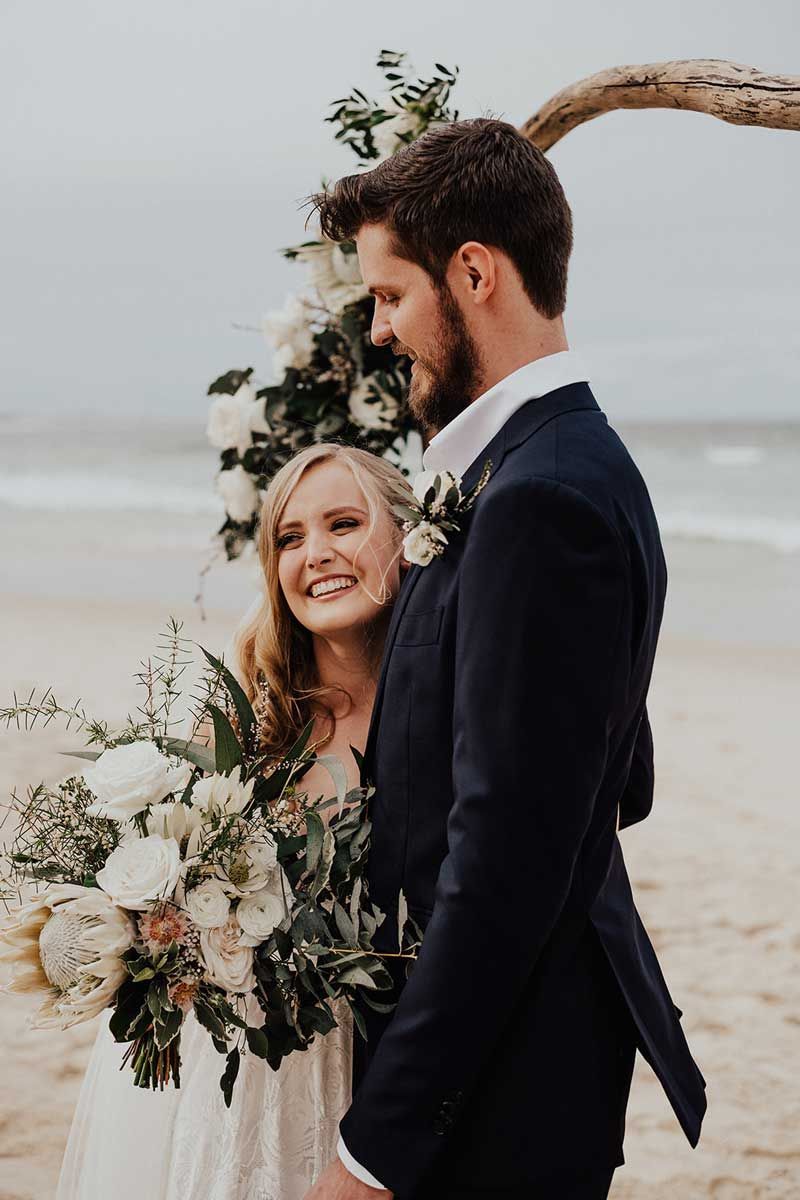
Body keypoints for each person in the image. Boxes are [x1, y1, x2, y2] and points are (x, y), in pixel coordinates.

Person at [301, 117, 707, 1200]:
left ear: (472, 273)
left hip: (503, 1090)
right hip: (507, 1052)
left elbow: (507, 855)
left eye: (390, 296)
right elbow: (611, 772)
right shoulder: (541, 468)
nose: (380, 331)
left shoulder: (540, 499)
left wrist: (374, 1146)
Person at [55, 443, 415, 1200]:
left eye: (343, 524)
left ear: (404, 536)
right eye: (288, 539)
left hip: (378, 1068)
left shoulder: (445, 709)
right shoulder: (252, 718)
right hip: (248, 1077)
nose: (315, 554)